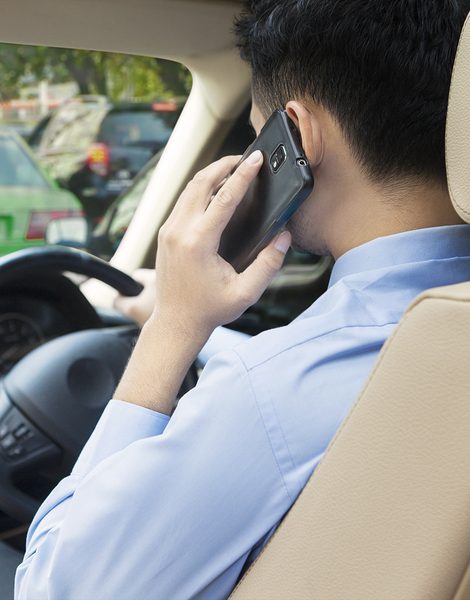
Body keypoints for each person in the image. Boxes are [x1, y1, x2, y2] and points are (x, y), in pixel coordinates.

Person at [15, 1, 470, 598]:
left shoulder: (268, 390)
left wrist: (174, 327)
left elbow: (55, 586)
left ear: (298, 134)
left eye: (261, 132)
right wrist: (185, 318)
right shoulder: (419, 335)